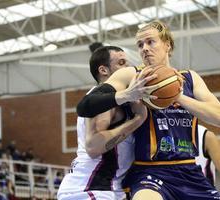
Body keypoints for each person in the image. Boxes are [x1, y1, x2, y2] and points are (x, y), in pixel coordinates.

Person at [76, 20, 220, 200]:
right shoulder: (132, 75)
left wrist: (178, 96)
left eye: (150, 42)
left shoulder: (190, 78)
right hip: (150, 172)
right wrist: (128, 94)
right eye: (140, 44)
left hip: (189, 170)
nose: (144, 48)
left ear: (167, 45)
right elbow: (86, 105)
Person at [57, 46, 150, 200]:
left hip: (107, 189)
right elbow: (93, 147)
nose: (127, 69)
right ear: (103, 70)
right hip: (90, 189)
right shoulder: (105, 100)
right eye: (121, 63)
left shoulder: (121, 100)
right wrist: (137, 120)